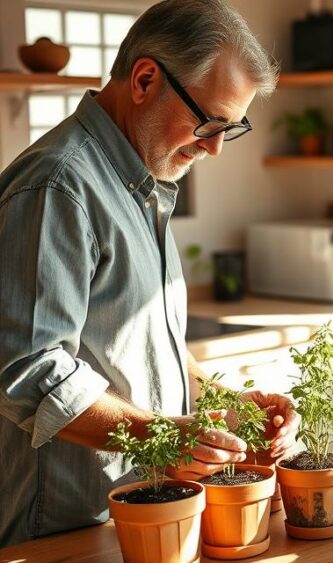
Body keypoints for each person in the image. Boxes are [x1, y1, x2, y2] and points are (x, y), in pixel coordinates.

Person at [0, 0, 299, 547]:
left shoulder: (140, 187)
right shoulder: (60, 186)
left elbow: (140, 352)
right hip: (67, 532)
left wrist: (223, 404)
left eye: (229, 130)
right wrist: (160, 439)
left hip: (145, 524)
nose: (213, 149)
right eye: (209, 121)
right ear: (144, 80)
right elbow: (29, 370)